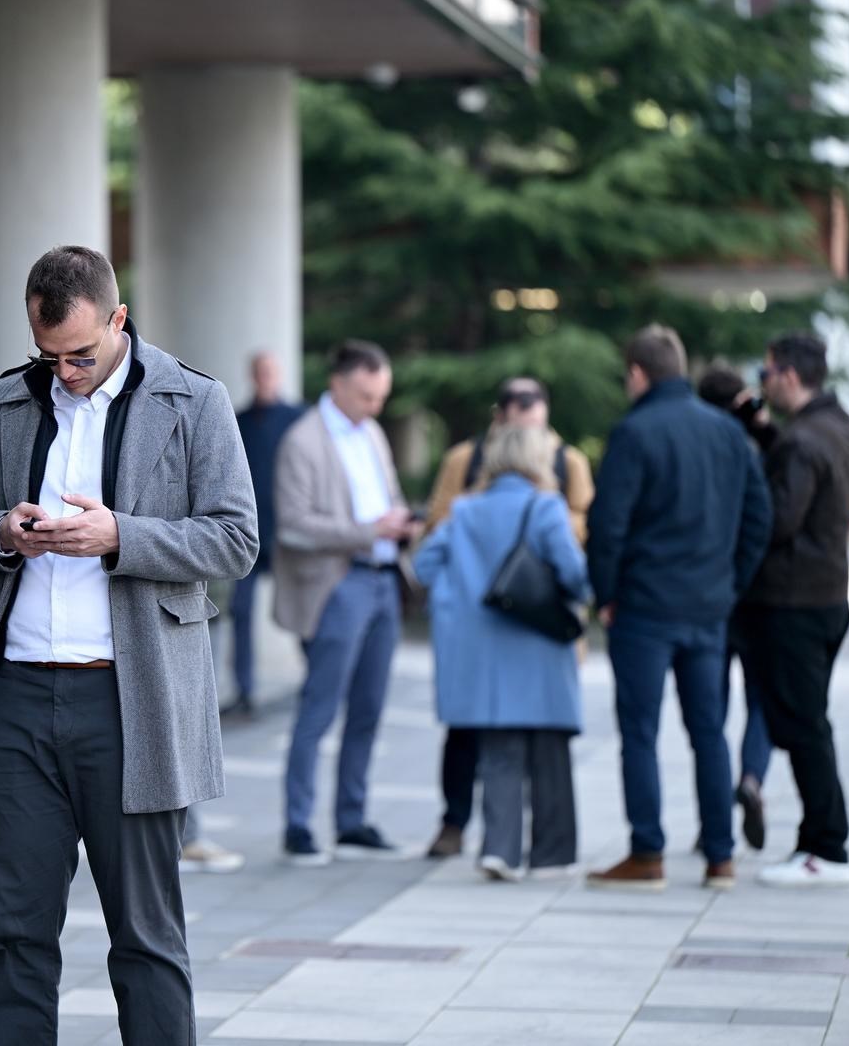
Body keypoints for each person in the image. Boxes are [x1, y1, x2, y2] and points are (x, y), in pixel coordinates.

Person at [0, 245, 257, 1044]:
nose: (65, 372)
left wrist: (123, 537)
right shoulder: (11, 400)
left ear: (118, 318)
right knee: (12, 940)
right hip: (12, 702)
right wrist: (4, 532)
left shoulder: (194, 400)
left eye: (80, 354)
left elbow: (236, 540)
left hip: (132, 701)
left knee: (146, 941)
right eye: (49, 356)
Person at [585, 326, 771, 892]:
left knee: (640, 731)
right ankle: (720, 856)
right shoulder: (728, 434)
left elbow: (607, 527)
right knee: (708, 732)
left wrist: (606, 595)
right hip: (708, 607)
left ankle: (648, 854)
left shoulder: (634, 432)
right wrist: (729, 583)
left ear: (638, 373)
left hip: (643, 607)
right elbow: (758, 519)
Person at [422, 377, 594, 859]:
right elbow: (575, 575)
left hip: (480, 650)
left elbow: (423, 566)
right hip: (540, 643)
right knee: (548, 749)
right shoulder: (546, 507)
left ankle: (499, 849)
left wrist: (457, 600)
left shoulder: (465, 509)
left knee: (497, 748)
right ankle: (551, 854)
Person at [275, 340, 418, 866]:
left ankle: (352, 821)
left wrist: (401, 520)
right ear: (338, 383)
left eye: (381, 396)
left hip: (383, 581)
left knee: (370, 708)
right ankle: (298, 825)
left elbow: (390, 496)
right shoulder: (304, 441)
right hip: (336, 585)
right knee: (319, 706)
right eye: (367, 395)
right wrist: (366, 531)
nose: (375, 406)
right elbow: (293, 527)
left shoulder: (372, 433)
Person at [749, 333, 849, 887]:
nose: (763, 380)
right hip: (827, 596)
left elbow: (779, 520)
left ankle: (827, 846)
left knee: (804, 727)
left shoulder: (803, 442)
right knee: (807, 722)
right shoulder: (842, 428)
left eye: (767, 372)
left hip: (794, 600)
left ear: (789, 376)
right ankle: (816, 841)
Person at [695, 366, 775, 850]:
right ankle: (751, 780)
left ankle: (713, 822)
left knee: (711, 711)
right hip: (759, 594)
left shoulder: (701, 447)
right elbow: (764, 517)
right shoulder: (761, 449)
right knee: (760, 700)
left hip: (711, 594)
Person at [226, 351, 304, 719]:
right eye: (260, 373)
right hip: (249, 534)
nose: (265, 379)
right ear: (252, 376)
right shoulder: (238, 421)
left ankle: (316, 679)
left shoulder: (297, 419)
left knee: (303, 607)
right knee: (240, 610)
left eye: (271, 373)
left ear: (279, 375)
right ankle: (244, 690)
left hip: (288, 533)